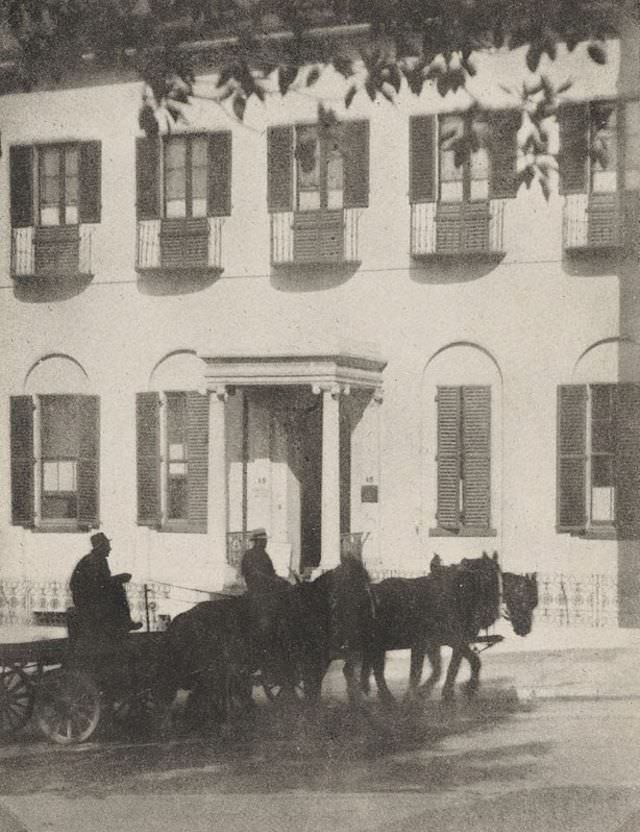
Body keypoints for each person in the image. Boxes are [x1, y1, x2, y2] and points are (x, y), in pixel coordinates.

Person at [69, 532, 142, 639]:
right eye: (108, 546)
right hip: (86, 599)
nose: (110, 549)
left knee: (117, 588)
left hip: (90, 596)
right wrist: (119, 578)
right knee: (118, 590)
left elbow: (102, 583)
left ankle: (124, 623)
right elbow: (97, 585)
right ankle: (125, 623)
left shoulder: (97, 559)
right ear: (101, 547)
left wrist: (118, 579)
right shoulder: (93, 561)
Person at [240, 528, 279, 593]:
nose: (266, 542)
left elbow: (271, 571)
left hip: (268, 584)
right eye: (263, 540)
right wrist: (273, 580)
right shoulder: (249, 555)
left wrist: (278, 578)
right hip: (257, 588)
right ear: (257, 541)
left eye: (265, 540)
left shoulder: (265, 554)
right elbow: (255, 574)